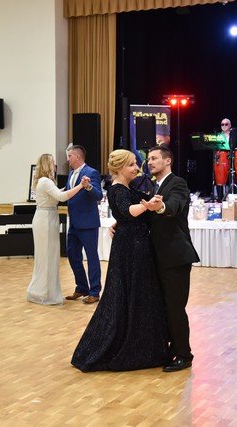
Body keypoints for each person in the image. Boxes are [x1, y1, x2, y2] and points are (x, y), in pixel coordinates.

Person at [71, 149, 169, 371]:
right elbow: (127, 210)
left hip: (133, 244)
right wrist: (145, 206)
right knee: (125, 294)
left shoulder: (126, 188)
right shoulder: (117, 189)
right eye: (131, 165)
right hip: (130, 248)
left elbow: (127, 214)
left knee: (132, 294)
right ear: (119, 168)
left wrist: (131, 216)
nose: (136, 168)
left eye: (135, 164)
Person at [141, 144, 200, 372]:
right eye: (149, 159)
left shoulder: (178, 183)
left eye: (154, 158)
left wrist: (161, 206)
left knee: (175, 308)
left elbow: (174, 205)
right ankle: (170, 350)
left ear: (168, 161)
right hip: (160, 257)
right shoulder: (153, 186)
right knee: (164, 307)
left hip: (176, 257)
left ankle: (184, 355)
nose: (150, 162)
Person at [27, 154, 87, 305]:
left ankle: (42, 291)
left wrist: (69, 187)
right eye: (53, 162)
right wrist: (80, 186)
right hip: (46, 220)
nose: (55, 164)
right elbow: (61, 197)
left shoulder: (43, 181)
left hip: (45, 217)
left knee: (47, 257)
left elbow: (55, 194)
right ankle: (45, 293)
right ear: (47, 164)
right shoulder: (46, 181)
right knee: (48, 257)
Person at [64, 145, 103, 304]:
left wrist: (88, 187)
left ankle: (94, 292)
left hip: (88, 223)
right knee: (72, 255)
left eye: (70, 156)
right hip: (73, 223)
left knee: (92, 257)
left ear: (78, 156)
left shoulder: (92, 173)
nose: (68, 159)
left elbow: (99, 195)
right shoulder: (71, 173)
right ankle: (81, 287)